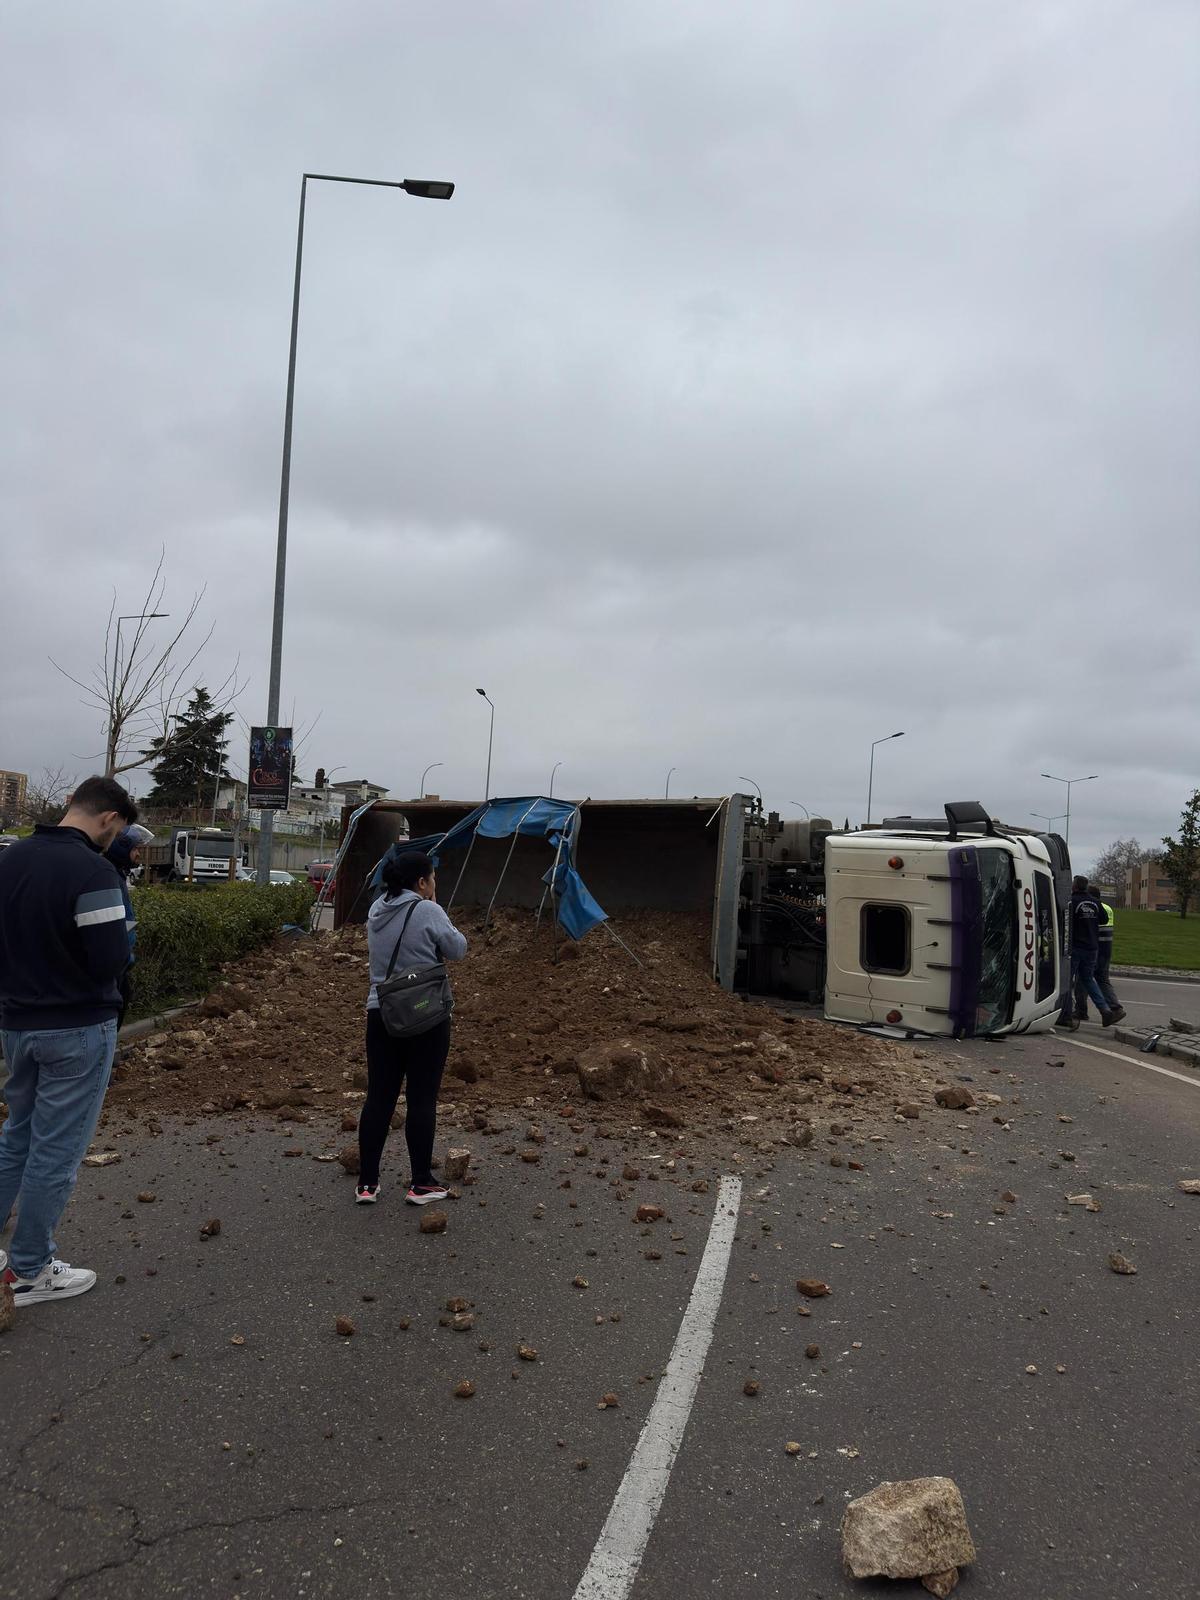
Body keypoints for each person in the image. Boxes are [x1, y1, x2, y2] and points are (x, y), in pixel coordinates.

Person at [0, 775, 137, 1305]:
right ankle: (31, 1269)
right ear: (108, 819)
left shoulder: (9, 860)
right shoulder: (93, 871)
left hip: (17, 1025)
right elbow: (109, 959)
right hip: (77, 1028)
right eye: (118, 829)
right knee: (55, 1151)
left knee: (18, 1135)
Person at [358, 849, 468, 1206]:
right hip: (425, 1014)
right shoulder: (427, 909)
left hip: (381, 1013)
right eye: (432, 878)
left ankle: (367, 1183)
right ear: (421, 882)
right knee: (421, 1098)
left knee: (379, 1098)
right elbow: (457, 948)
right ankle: (421, 1183)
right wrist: (435, 904)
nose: (434, 884)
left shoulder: (376, 910)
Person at [105, 823, 155, 1026]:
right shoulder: (110, 876)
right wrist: (125, 956)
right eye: (135, 849)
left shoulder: (118, 874)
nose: (138, 855)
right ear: (121, 849)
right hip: (115, 965)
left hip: (121, 962)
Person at [1058, 875, 1116, 1031]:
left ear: (1075, 886)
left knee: (1067, 981)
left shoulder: (1072, 901)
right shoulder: (1095, 902)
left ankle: (1067, 1014)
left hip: (1075, 947)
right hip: (1092, 948)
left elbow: (1065, 922)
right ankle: (1105, 1010)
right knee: (1088, 979)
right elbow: (1103, 920)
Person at [1078, 888, 1125, 1025]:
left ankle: (1081, 1010)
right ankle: (1116, 1008)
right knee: (1103, 979)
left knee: (1082, 980)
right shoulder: (1107, 908)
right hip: (1106, 948)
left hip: (1093, 948)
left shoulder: (1090, 907)